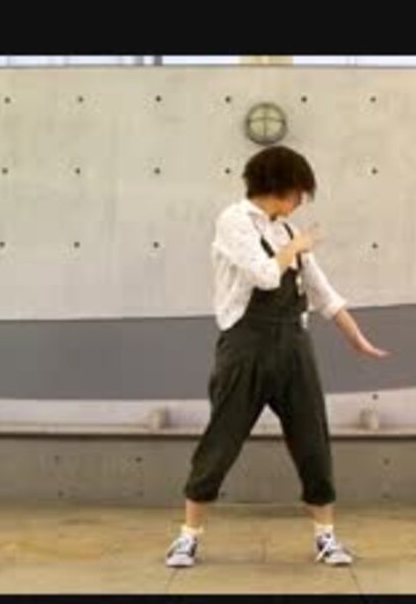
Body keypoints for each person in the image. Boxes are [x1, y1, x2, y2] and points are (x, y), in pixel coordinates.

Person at [165, 145, 390, 568]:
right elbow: (266, 276)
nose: (302, 201)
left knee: (312, 440)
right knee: (221, 441)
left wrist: (356, 338)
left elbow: (322, 292)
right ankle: (187, 538)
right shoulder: (234, 220)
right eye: (300, 192)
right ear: (280, 187)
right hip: (245, 346)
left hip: (293, 346)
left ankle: (326, 538)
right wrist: (297, 247)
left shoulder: (288, 230)